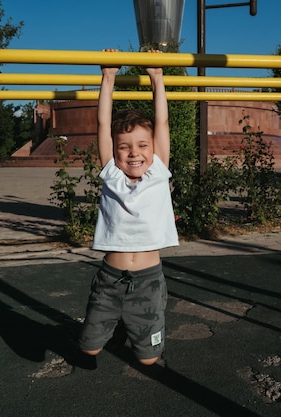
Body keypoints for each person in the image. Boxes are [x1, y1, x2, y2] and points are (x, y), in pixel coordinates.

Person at [78, 49, 179, 366]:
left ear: (152, 150)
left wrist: (156, 77)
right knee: (88, 350)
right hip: (110, 278)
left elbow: (161, 120)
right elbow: (102, 121)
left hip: (148, 280)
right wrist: (108, 76)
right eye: (124, 147)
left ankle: (132, 327)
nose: (134, 153)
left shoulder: (159, 172)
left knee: (149, 360)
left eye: (142, 146)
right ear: (115, 151)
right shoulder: (111, 174)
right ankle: (108, 326)